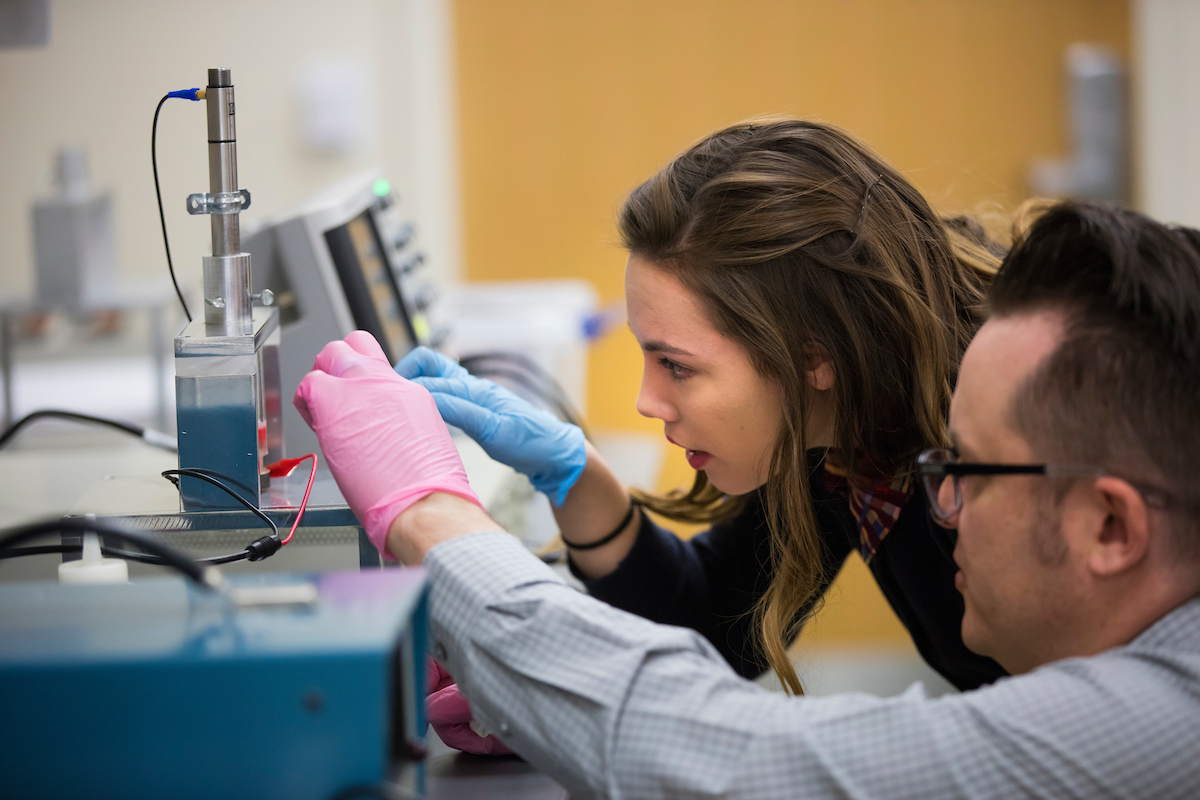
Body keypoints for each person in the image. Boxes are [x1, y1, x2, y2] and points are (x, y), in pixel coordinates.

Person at [297, 200, 1200, 798]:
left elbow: (742, 763)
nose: (942, 503)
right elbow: (715, 625)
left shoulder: (1167, 717)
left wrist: (432, 517)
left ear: (1111, 524)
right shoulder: (855, 441)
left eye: (964, 468)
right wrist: (573, 489)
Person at [398, 119, 1007, 695]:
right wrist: (578, 478)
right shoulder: (835, 426)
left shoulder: (1003, 451)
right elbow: (719, 620)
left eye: (678, 366)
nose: (647, 402)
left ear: (814, 358)